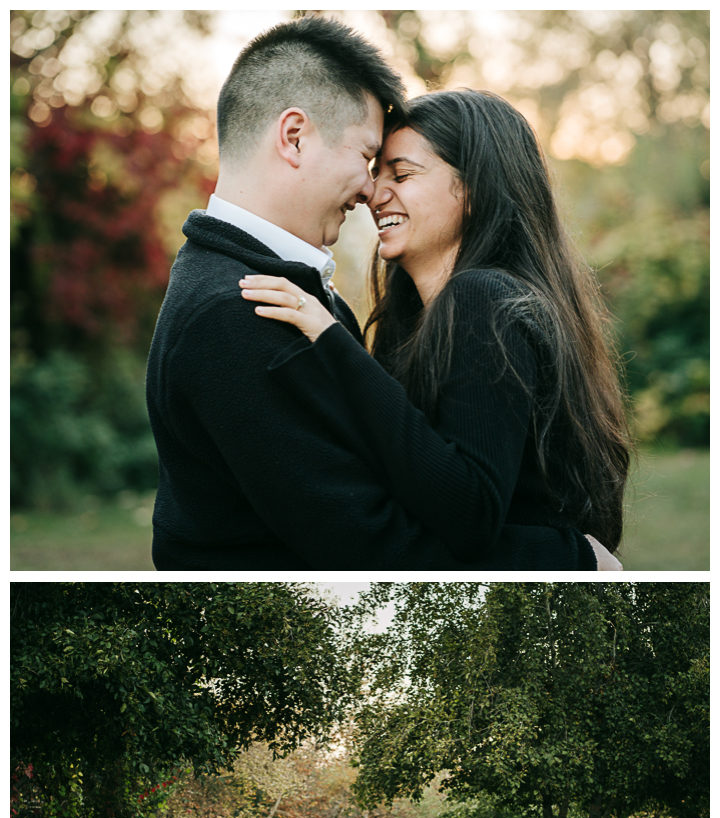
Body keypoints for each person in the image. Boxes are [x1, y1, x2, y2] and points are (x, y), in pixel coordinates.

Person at [145, 16, 616, 570]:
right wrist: (567, 560)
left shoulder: (278, 291)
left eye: (397, 171)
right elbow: (369, 544)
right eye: (368, 159)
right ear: (293, 137)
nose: (372, 191)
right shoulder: (237, 308)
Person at [240, 87, 632, 565]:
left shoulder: (483, 301)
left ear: (475, 188)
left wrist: (331, 343)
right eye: (375, 174)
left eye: (402, 174)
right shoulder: (415, 322)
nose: (373, 195)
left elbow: (469, 516)